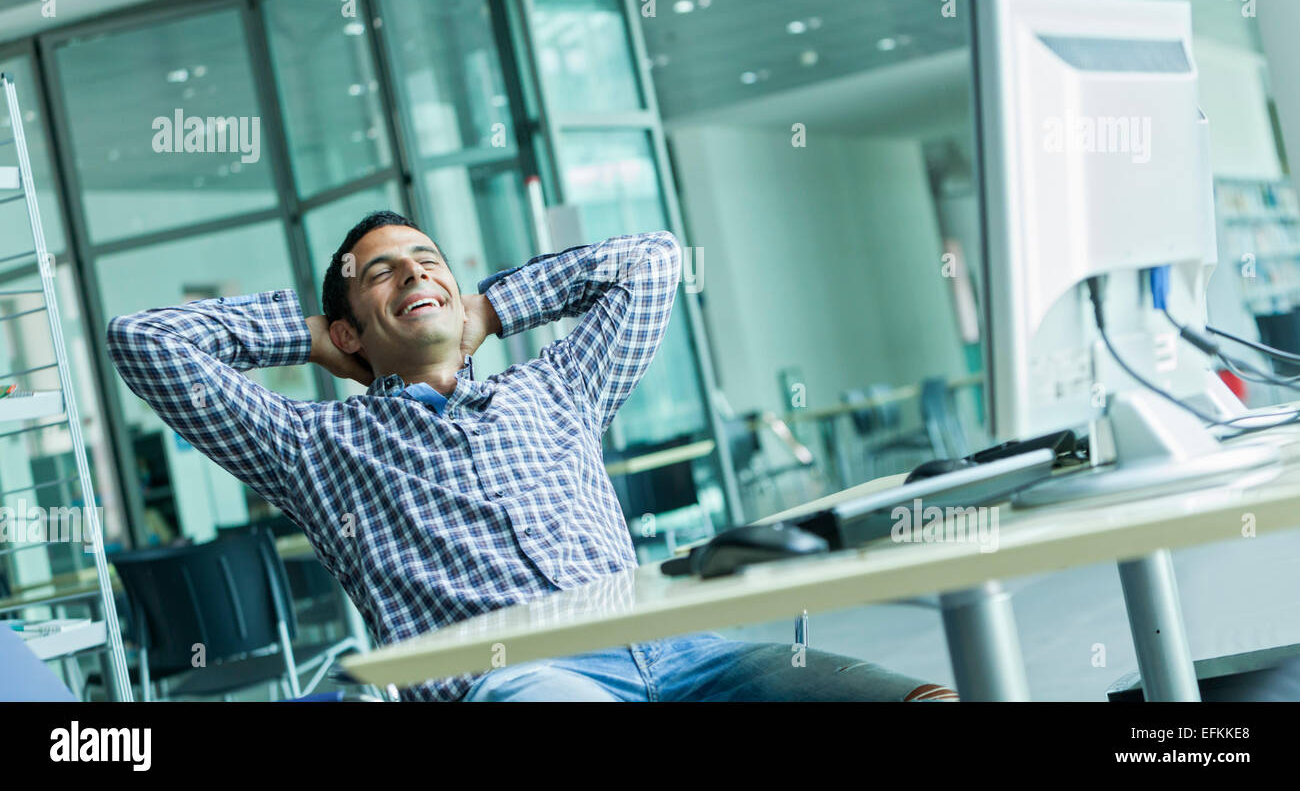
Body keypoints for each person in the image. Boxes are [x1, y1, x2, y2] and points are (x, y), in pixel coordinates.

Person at [106, 210, 957, 702]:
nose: (413, 274)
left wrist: (494, 308)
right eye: (381, 275)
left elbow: (651, 262)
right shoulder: (314, 447)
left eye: (427, 261)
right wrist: (307, 340)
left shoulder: (556, 387)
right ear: (347, 329)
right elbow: (143, 341)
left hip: (689, 653)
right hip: (524, 684)